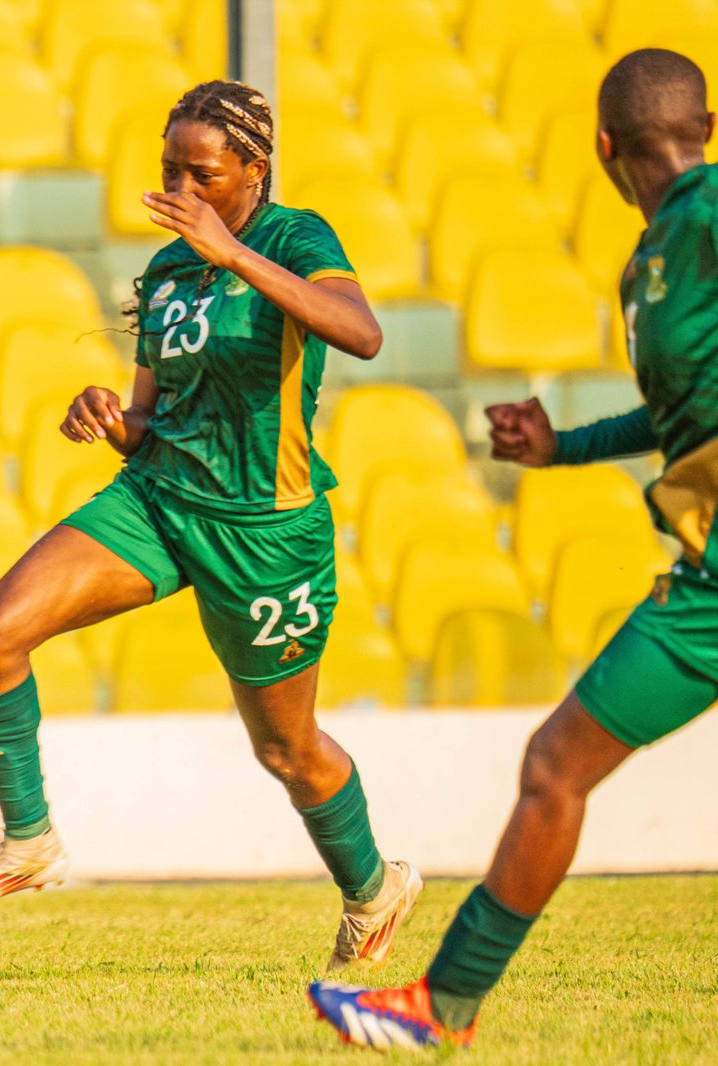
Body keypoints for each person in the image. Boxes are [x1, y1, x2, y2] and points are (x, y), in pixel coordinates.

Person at [0, 80, 419, 972]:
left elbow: (361, 333)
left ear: (252, 171)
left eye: (204, 173)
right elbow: (150, 419)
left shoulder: (292, 237)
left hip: (266, 530)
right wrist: (108, 414)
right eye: (170, 171)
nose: (182, 191)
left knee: (286, 749)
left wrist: (233, 255)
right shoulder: (163, 272)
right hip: (160, 497)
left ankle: (373, 888)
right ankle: (29, 841)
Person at [308, 48, 718, 1051]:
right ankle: (441, 1006)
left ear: (600, 146)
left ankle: (443, 1002)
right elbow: (681, 411)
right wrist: (560, 447)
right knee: (556, 764)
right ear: (705, 124)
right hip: (705, 584)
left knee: (552, 766)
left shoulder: (706, 217)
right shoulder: (652, 260)